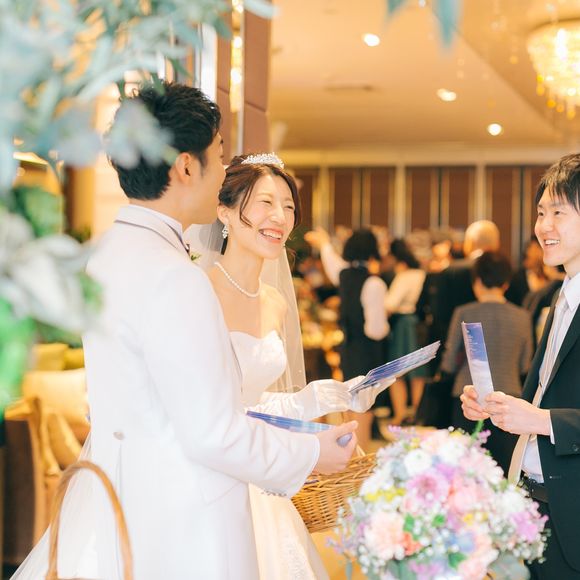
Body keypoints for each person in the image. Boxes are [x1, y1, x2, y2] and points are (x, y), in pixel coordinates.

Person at [13, 83, 358, 580]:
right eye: (217, 157)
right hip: (184, 518)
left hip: (122, 497)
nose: (221, 172)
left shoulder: (107, 255)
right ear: (186, 167)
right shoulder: (177, 277)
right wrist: (311, 453)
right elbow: (212, 432)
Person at [191, 156, 393, 579]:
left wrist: (329, 396)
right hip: (207, 474)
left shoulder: (276, 302)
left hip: (259, 475)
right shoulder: (198, 291)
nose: (280, 218)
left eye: (288, 206)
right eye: (265, 203)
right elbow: (207, 409)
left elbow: (255, 401)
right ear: (224, 212)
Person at [461, 153, 580, 578]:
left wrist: (542, 420)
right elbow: (547, 394)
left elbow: (546, 415)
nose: (543, 226)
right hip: (535, 506)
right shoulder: (560, 297)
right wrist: (499, 405)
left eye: (558, 213)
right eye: (541, 213)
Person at [441, 251, 533, 473]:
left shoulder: (463, 312)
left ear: (477, 281)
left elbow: (449, 363)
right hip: (509, 402)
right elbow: (525, 364)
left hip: (469, 400)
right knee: (505, 473)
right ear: (506, 283)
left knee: (465, 472)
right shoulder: (522, 316)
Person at [336, 229, 390, 450]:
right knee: (365, 407)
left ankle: (350, 456)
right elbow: (376, 330)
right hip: (367, 351)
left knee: (351, 403)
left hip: (348, 348)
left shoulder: (343, 276)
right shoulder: (374, 283)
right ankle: (361, 457)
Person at [383, 239, 427, 424]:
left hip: (402, 324)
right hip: (419, 324)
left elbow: (390, 304)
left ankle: (400, 414)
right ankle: (418, 412)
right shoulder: (422, 274)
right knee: (419, 371)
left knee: (396, 371)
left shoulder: (404, 276)